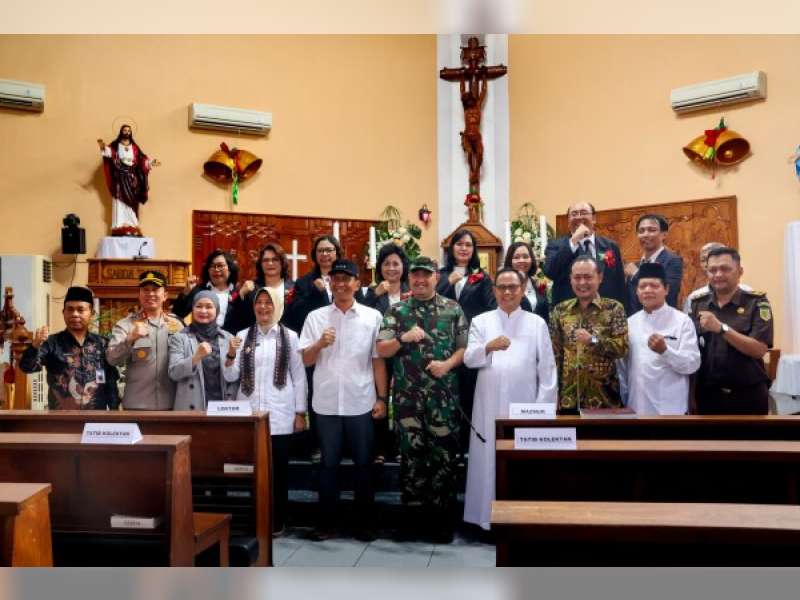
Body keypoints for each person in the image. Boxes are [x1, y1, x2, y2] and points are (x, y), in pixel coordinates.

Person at [377, 256, 468, 543]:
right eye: (415, 275)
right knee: (411, 460)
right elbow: (382, 349)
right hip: (407, 401)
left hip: (443, 399)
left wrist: (447, 365)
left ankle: (442, 522)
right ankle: (414, 520)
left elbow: (465, 348)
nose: (420, 280)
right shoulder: (397, 310)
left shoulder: (452, 309)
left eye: (425, 275)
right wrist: (403, 338)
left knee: (443, 459)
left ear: (436, 278)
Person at [299, 259, 387, 542]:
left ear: (357, 284)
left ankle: (365, 523)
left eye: (347, 279)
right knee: (328, 464)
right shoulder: (316, 317)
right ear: (330, 283)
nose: (341, 284)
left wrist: (382, 397)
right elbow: (305, 359)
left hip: (361, 399)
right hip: (326, 402)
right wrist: (319, 344)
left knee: (364, 464)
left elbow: (378, 362)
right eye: (335, 279)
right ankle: (327, 523)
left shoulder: (372, 316)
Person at [463, 268, 557, 531]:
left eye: (512, 287)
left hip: (525, 405)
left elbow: (547, 370)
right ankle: (485, 519)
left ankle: (521, 520)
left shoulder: (536, 322)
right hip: (488, 404)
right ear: (494, 290)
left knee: (520, 462)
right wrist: (488, 347)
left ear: (522, 288)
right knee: (487, 458)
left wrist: (542, 410)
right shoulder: (481, 321)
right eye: (502, 287)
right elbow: (470, 359)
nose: (507, 292)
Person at [225, 287, 307, 536]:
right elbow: (231, 375)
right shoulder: (241, 335)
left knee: (278, 472)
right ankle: (253, 517)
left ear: (278, 306)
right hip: (248, 416)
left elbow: (299, 377)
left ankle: (277, 519)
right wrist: (230, 353)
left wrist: (300, 412)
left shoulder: (290, 337)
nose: (263, 307)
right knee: (250, 471)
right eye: (259, 303)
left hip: (280, 414)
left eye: (268, 303)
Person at [689, 247, 773, 415]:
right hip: (708, 395)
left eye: (725, 268)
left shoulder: (756, 303)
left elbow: (759, 349)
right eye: (712, 270)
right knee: (710, 442)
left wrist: (722, 329)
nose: (718, 274)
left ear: (740, 271)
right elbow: (693, 351)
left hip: (748, 395)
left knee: (751, 442)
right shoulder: (698, 303)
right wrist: (690, 394)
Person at [436, 229, 495, 455]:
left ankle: (467, 443)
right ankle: (446, 442)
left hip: (471, 344)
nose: (463, 248)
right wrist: (447, 283)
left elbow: (490, 308)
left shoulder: (481, 277)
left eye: (468, 245)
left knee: (468, 392)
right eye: (459, 244)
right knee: (446, 393)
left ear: (474, 250)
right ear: (451, 248)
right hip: (443, 343)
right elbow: (430, 298)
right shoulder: (439, 275)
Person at [549, 255, 629, 413]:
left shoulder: (614, 308)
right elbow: (555, 355)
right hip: (568, 399)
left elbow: (622, 348)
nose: (582, 283)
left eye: (588, 277)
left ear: (600, 277)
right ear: (570, 279)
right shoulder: (560, 310)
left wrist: (593, 340)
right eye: (577, 277)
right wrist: (553, 392)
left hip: (605, 399)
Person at [619, 263, 700, 415]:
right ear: (637, 291)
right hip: (637, 408)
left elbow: (692, 364)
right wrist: (625, 401)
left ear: (666, 289)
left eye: (654, 286)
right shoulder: (630, 323)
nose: (648, 290)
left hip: (672, 409)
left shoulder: (682, 321)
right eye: (643, 286)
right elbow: (623, 370)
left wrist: (665, 351)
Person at [20, 286, 119, 410]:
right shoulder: (52, 343)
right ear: (64, 312)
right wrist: (35, 345)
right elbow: (27, 368)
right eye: (70, 309)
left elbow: (110, 382)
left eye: (80, 310)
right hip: (62, 420)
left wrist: (115, 414)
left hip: (96, 419)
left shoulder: (103, 343)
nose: (75, 314)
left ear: (92, 313)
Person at [106, 271, 184, 410]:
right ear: (139, 294)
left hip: (172, 405)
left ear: (165, 295)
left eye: (155, 290)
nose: (150, 294)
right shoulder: (125, 325)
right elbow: (112, 359)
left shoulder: (177, 325)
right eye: (145, 290)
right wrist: (129, 339)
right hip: (137, 405)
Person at [363, 244, 411, 465]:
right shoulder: (371, 292)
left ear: (403, 267)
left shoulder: (411, 290)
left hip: (406, 354)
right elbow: (359, 314)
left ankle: (402, 446)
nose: (391, 268)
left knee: (405, 400)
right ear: (380, 267)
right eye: (386, 264)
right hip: (379, 354)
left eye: (396, 264)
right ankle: (380, 448)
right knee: (379, 398)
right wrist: (375, 295)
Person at [544, 202, 626, 308]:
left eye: (583, 213)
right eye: (574, 214)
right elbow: (550, 271)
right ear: (568, 221)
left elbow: (620, 284)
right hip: (569, 314)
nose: (579, 217)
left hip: (606, 313)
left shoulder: (610, 246)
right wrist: (573, 241)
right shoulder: (555, 245)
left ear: (594, 218)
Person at [168, 291, 239, 410]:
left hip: (222, 409)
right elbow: (174, 373)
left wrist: (231, 356)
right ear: (192, 309)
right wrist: (195, 358)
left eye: (209, 307)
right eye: (198, 306)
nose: (203, 311)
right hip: (191, 410)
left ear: (217, 310)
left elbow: (234, 378)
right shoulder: (179, 337)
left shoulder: (228, 338)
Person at [97, 124, 160, 237]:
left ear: (131, 133)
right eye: (125, 130)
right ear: (121, 132)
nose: (127, 132)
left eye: (129, 131)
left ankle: (132, 224)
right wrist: (103, 146)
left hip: (132, 178)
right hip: (120, 178)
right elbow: (110, 153)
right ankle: (119, 225)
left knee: (132, 202)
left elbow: (142, 160)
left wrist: (151, 163)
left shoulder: (134, 147)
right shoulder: (116, 145)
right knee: (120, 200)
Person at [229, 243, 297, 333]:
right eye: (265, 260)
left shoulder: (294, 288)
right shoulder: (251, 288)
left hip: (286, 340)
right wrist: (241, 295)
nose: (270, 263)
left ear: (282, 262)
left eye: (275, 259)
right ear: (260, 264)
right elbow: (236, 318)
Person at [624, 214, 683, 314]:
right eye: (641, 231)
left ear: (664, 234)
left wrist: (636, 274)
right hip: (636, 323)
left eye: (651, 230)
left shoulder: (673, 260)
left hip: (663, 323)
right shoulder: (635, 266)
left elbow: (669, 294)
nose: (645, 235)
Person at [172, 250, 240, 334]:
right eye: (212, 266)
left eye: (220, 266)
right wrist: (186, 292)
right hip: (201, 339)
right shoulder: (200, 290)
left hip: (229, 341)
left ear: (230, 268)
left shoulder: (239, 293)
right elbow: (178, 313)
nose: (216, 270)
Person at [683, 241, 751, 313]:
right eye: (703, 260)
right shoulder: (695, 298)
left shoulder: (748, 294)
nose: (707, 264)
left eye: (711, 259)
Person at [503, 240, 549, 323]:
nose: (521, 260)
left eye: (525, 256)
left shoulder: (538, 284)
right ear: (510, 261)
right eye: (516, 257)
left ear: (531, 259)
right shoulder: (503, 286)